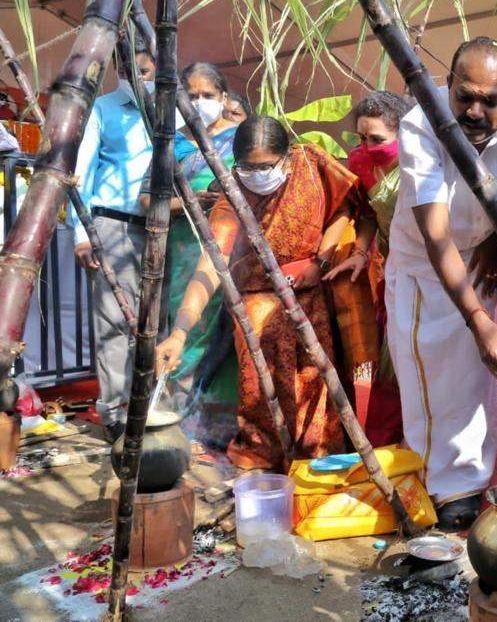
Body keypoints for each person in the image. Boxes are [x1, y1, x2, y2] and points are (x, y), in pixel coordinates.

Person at [386, 37, 497, 530]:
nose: (473, 111)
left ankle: (471, 477)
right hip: (423, 268)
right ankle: (441, 486)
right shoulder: (419, 125)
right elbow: (435, 235)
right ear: (447, 85)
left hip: (480, 257)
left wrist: (496, 243)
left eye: (489, 100)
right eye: (463, 96)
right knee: (431, 379)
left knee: (476, 379)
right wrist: (478, 318)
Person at [155, 116, 369, 469]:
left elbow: (345, 209)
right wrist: (179, 332)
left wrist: (321, 258)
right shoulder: (234, 191)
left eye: (266, 166)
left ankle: (317, 456)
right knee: (261, 383)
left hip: (308, 291)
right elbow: (212, 261)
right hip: (253, 297)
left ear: (287, 156)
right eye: (247, 167)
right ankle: (265, 454)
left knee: (313, 378)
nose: (257, 175)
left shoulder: (312, 164)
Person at [141, 62, 238, 450]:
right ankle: (182, 430)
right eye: (192, 96)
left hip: (233, 251)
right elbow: (148, 200)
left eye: (208, 96)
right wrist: (191, 202)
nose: (200, 103)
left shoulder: (240, 140)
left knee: (233, 339)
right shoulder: (171, 144)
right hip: (184, 255)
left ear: (224, 99)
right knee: (188, 336)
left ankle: (226, 431)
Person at [68, 33, 155, 442]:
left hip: (161, 230)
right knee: (114, 320)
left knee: (154, 321)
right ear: (118, 72)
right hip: (112, 225)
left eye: (146, 70)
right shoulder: (103, 109)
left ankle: (154, 407)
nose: (138, 78)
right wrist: (82, 234)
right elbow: (81, 172)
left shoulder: (171, 111)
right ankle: (114, 412)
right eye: (130, 71)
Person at [325, 90, 415, 447]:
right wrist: (361, 252)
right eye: (361, 138)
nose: (367, 146)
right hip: (392, 268)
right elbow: (365, 212)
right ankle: (388, 441)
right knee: (392, 356)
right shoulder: (360, 162)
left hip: (432, 270)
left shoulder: (422, 161)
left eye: (377, 139)